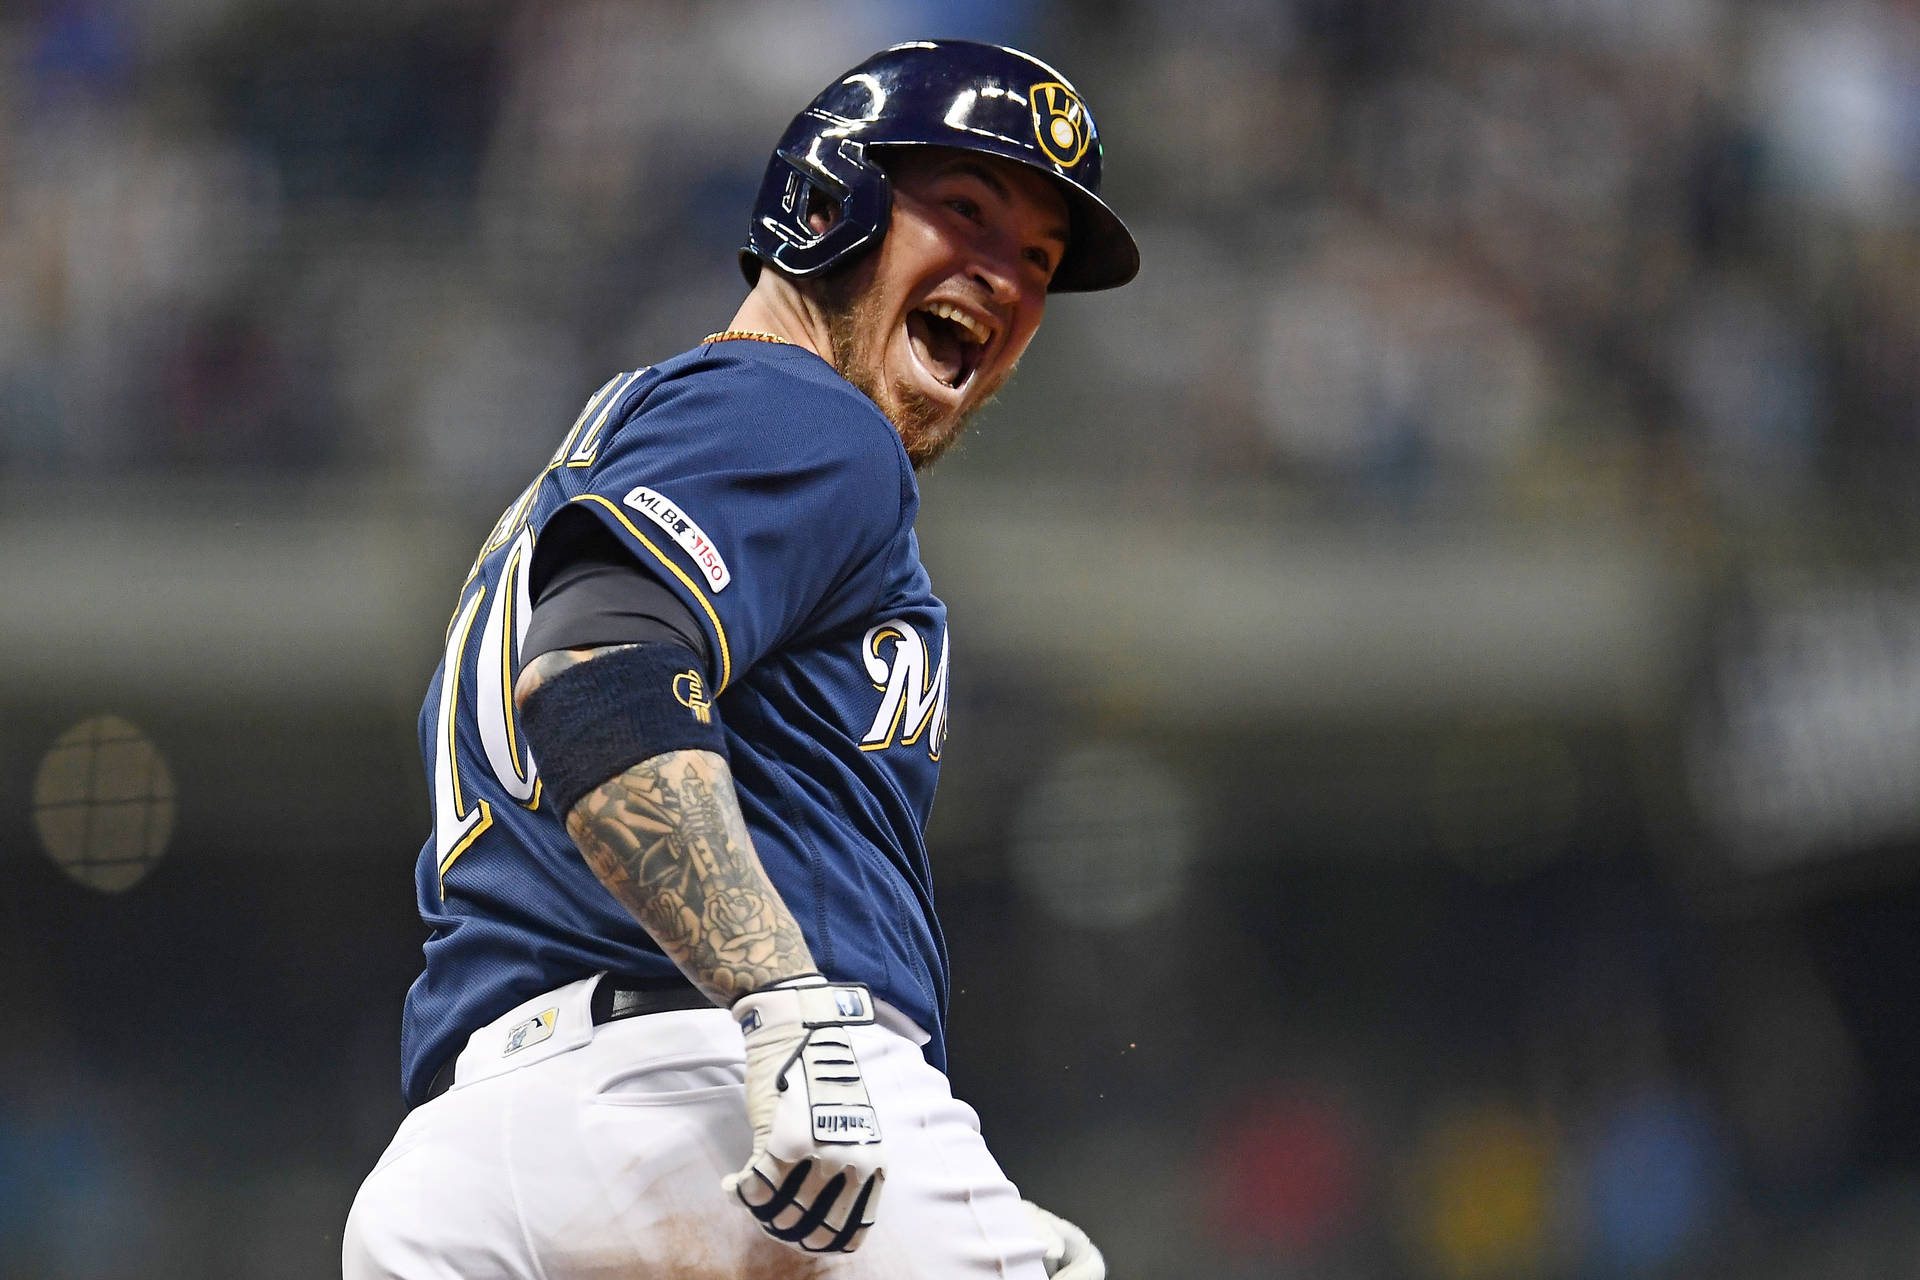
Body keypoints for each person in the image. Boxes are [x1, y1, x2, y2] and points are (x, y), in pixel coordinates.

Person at [343, 39, 1137, 1279]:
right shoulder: (805, 415)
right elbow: (603, 673)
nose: (1004, 277)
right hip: (718, 1102)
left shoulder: (623, 445)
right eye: (968, 213)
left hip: (466, 1168)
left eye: (1037, 262)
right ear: (827, 206)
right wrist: (787, 1008)